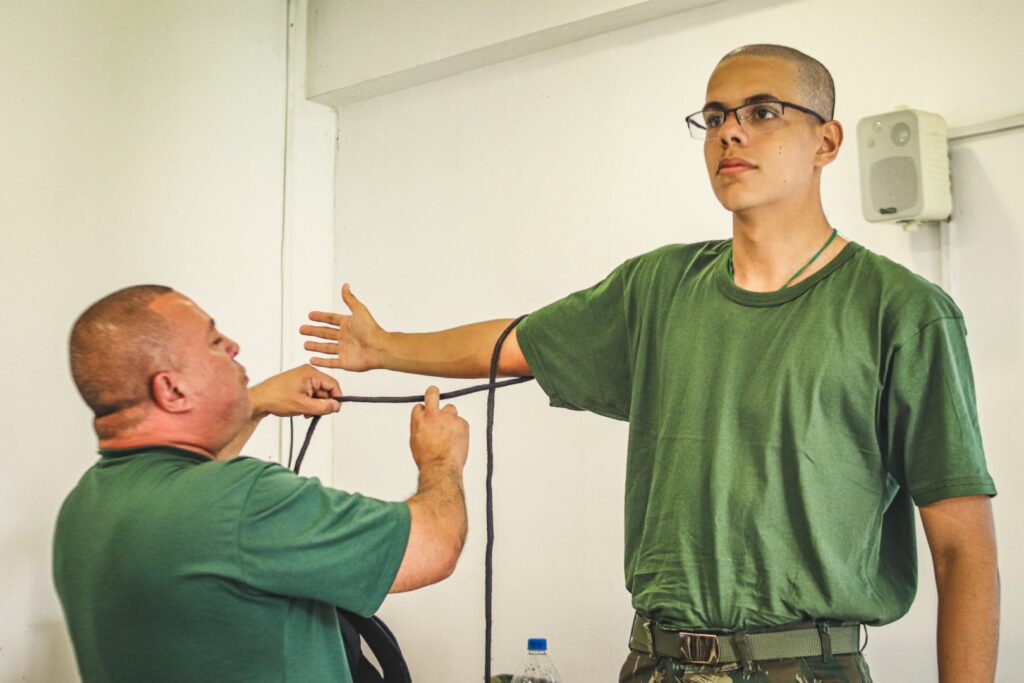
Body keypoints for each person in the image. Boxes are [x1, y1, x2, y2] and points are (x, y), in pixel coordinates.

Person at [299, 44, 999, 682]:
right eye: (715, 116)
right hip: (655, 662)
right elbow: (519, 343)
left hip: (805, 667)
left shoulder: (901, 311)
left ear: (827, 140)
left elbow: (963, 552)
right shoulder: (659, 288)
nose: (730, 132)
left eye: (762, 111)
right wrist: (384, 348)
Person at [54, 284, 470, 683]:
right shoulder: (242, 499)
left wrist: (255, 402)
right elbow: (433, 547)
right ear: (171, 389)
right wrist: (440, 457)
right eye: (214, 342)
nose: (233, 345)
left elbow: (196, 508)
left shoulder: (87, 503)